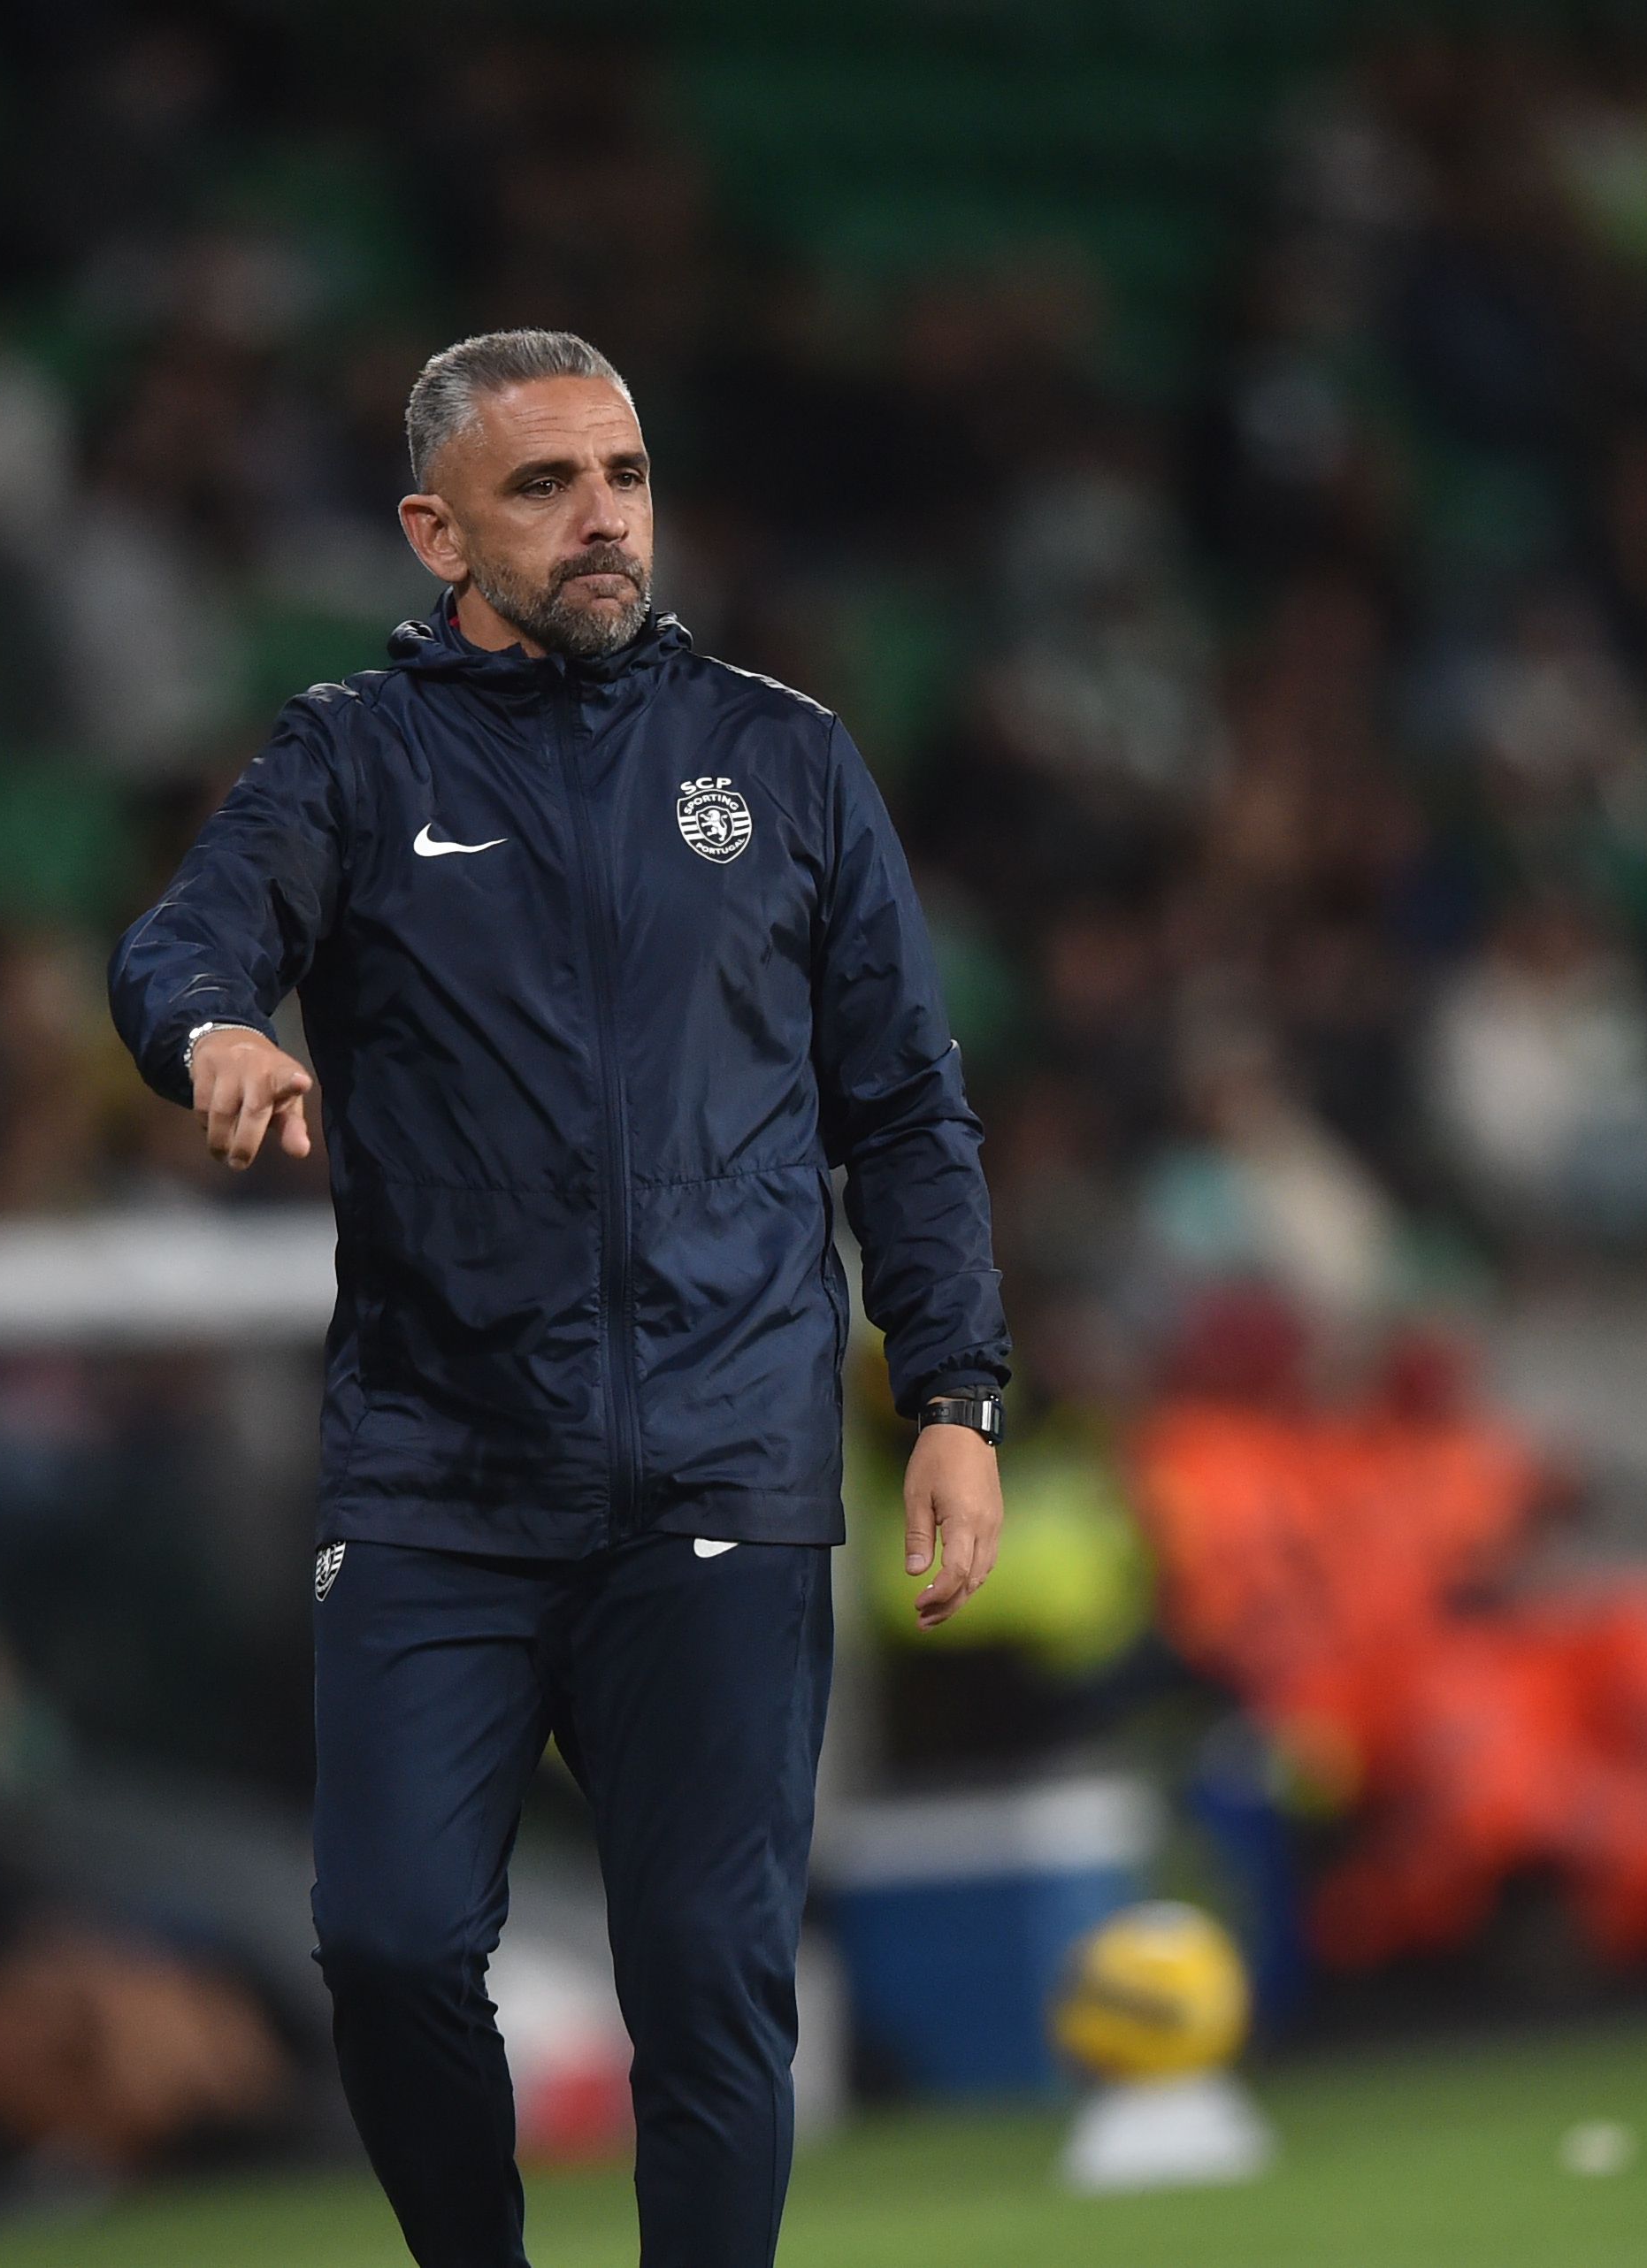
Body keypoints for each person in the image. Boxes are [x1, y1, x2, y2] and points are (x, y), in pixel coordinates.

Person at [109, 330, 1008, 2268]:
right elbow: (189, 935)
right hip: (442, 1469)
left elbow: (907, 1110)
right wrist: (212, 1031)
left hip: (723, 1459)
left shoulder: (784, 759)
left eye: (624, 475)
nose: (603, 520)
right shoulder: (353, 757)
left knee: (708, 1978)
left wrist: (953, 1391)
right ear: (438, 526)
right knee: (391, 1943)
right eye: (545, 488)